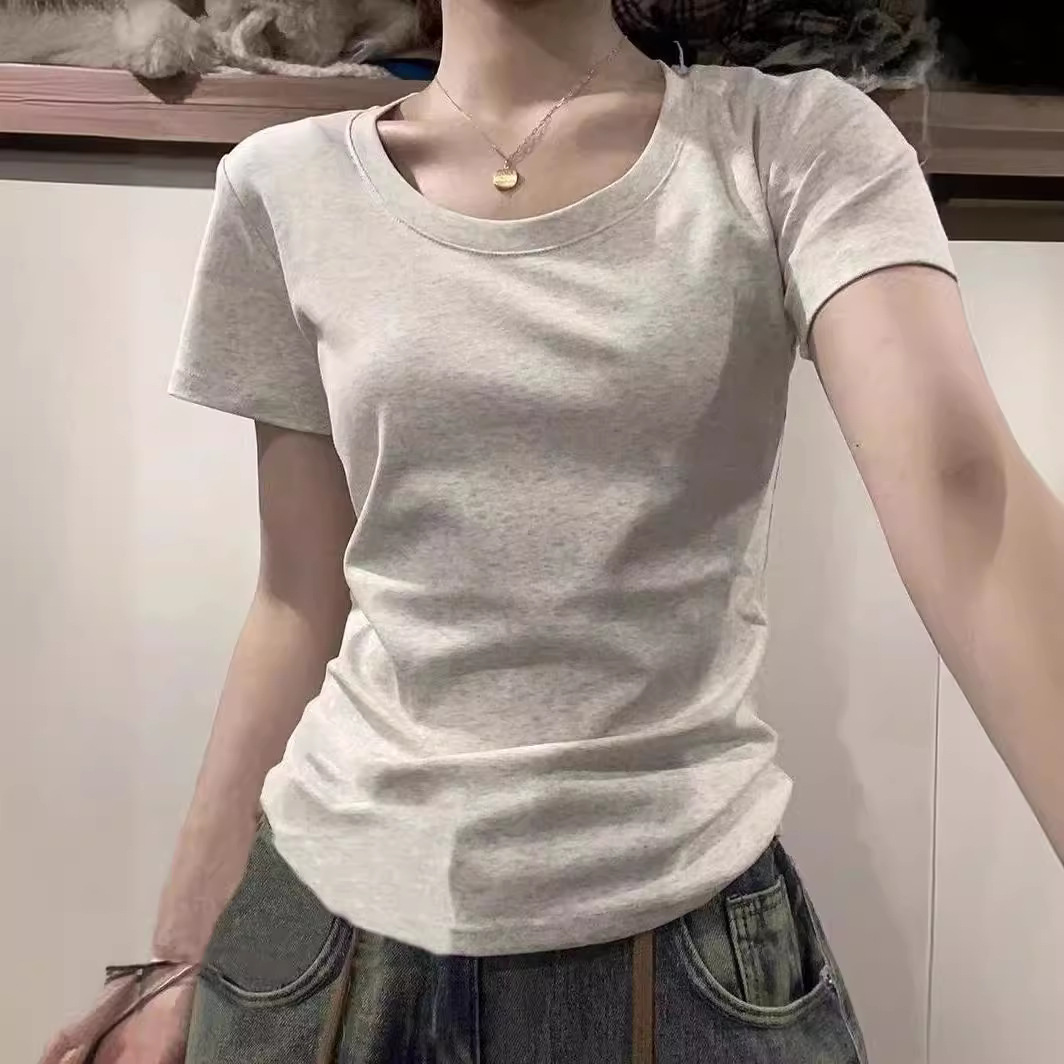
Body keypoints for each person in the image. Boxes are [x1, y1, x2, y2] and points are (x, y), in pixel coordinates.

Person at [41, 0, 1064, 1062]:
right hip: (312, 946)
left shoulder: (786, 142)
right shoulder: (284, 183)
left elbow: (965, 493)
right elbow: (297, 597)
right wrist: (179, 952)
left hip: (673, 935)